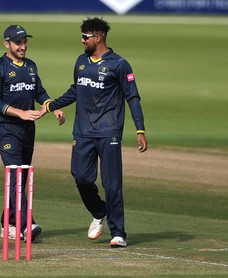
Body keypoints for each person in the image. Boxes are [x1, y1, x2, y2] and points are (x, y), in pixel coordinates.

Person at [42, 17, 147, 247]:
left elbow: (133, 97)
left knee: (112, 184)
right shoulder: (81, 61)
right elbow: (75, 90)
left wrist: (140, 128)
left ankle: (118, 233)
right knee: (80, 177)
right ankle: (99, 211)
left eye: (85, 37)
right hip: (83, 131)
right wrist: (53, 105)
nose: (82, 41)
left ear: (98, 37)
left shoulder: (120, 64)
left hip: (109, 131)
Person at [0, 25, 65, 242]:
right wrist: (19, 113)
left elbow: (39, 91)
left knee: (21, 179)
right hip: (6, 129)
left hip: (28, 129)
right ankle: (26, 224)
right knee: (15, 176)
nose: (23, 46)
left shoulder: (30, 66)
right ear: (6, 44)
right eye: (18, 42)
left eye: (24, 42)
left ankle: (8, 224)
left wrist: (52, 107)